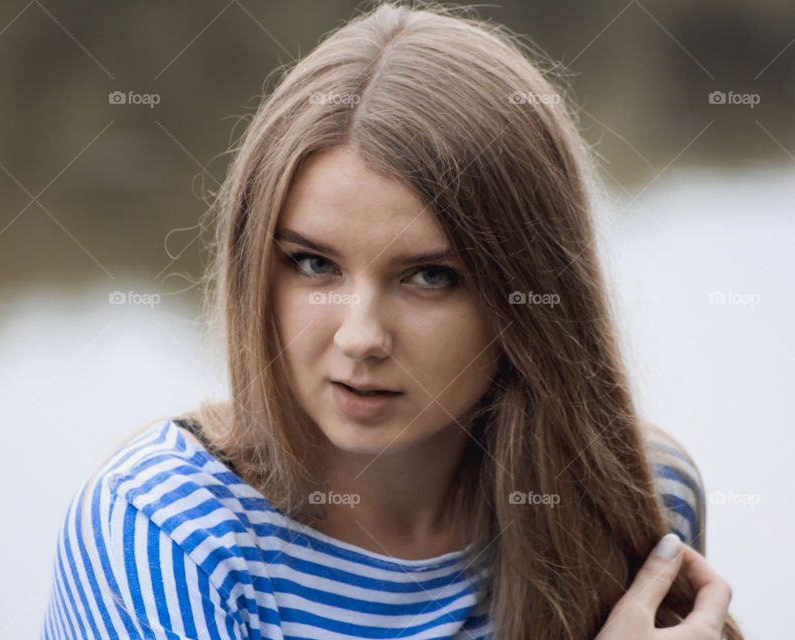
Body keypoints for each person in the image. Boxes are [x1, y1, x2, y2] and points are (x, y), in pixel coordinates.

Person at [41, 2, 741, 638]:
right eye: (314, 264)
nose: (360, 337)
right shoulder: (161, 534)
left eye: (430, 277)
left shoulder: (634, 495)